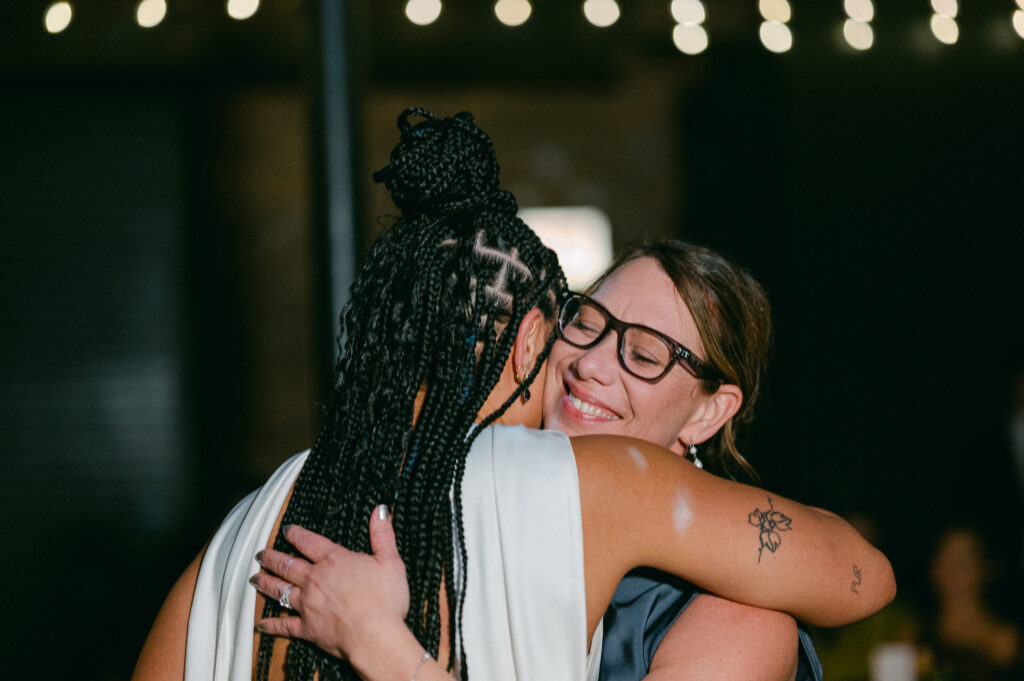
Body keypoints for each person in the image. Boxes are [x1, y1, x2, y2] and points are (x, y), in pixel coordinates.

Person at [133, 108, 894, 681]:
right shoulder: (589, 488)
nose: (592, 363)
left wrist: (381, 644)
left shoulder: (243, 532)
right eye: (586, 322)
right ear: (536, 338)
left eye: (644, 353)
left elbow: (864, 574)